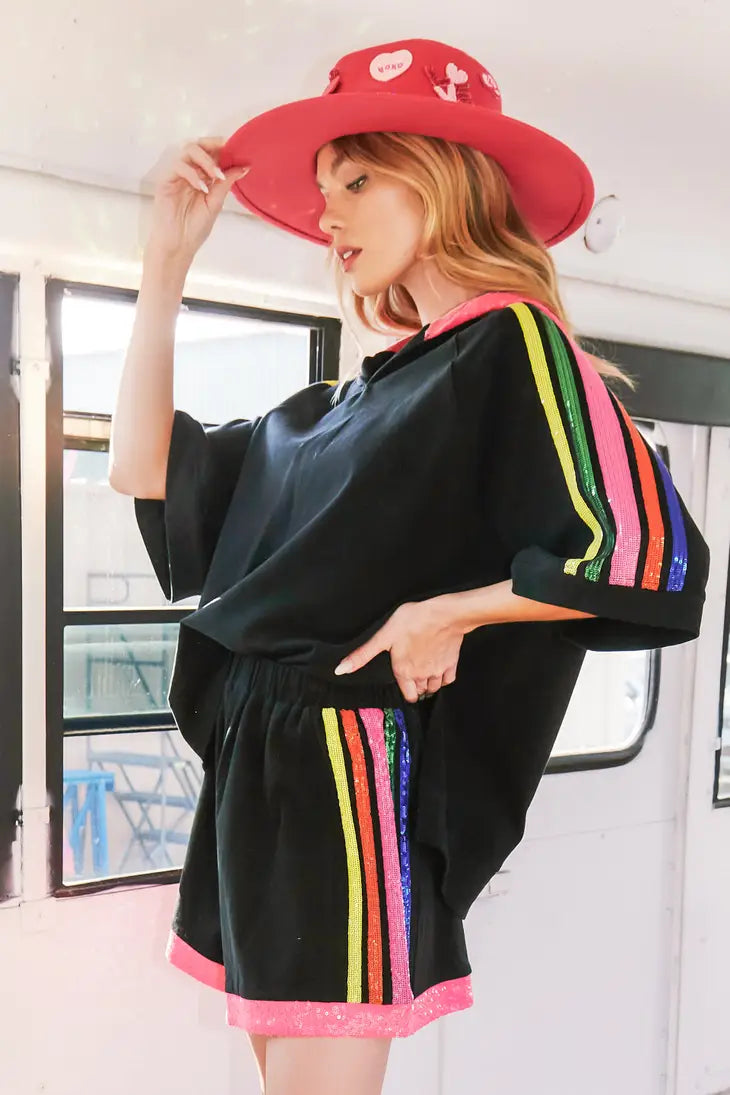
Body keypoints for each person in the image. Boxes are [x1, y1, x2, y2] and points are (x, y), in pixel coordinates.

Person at [109, 36, 710, 1095]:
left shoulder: (511, 342)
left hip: (349, 772)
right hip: (260, 770)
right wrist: (166, 264)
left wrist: (450, 613)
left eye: (356, 182)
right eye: (324, 191)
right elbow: (140, 468)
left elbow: (645, 549)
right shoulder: (335, 407)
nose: (328, 216)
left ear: (438, 183)